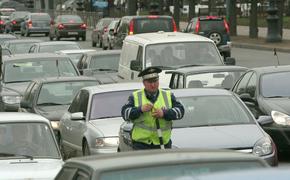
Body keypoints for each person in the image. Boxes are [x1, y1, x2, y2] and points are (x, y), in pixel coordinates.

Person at [121, 67, 184, 150]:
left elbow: (180, 112)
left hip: (163, 144)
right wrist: (140, 110)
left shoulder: (168, 95)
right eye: (149, 82)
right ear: (144, 83)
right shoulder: (135, 96)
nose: (153, 85)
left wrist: (164, 113)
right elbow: (125, 114)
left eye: (155, 81)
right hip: (141, 145)